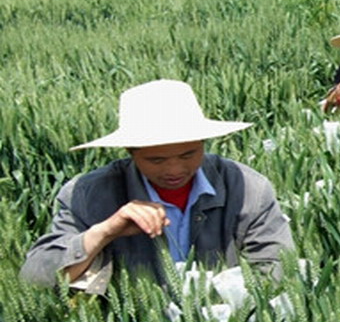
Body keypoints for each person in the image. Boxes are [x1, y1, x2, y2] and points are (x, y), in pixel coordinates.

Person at [21, 79, 294, 295]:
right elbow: (35, 279)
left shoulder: (247, 188)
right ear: (129, 151)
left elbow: (276, 270)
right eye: (156, 160)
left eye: (188, 154)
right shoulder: (86, 194)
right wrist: (105, 232)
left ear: (204, 143)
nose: (174, 170)